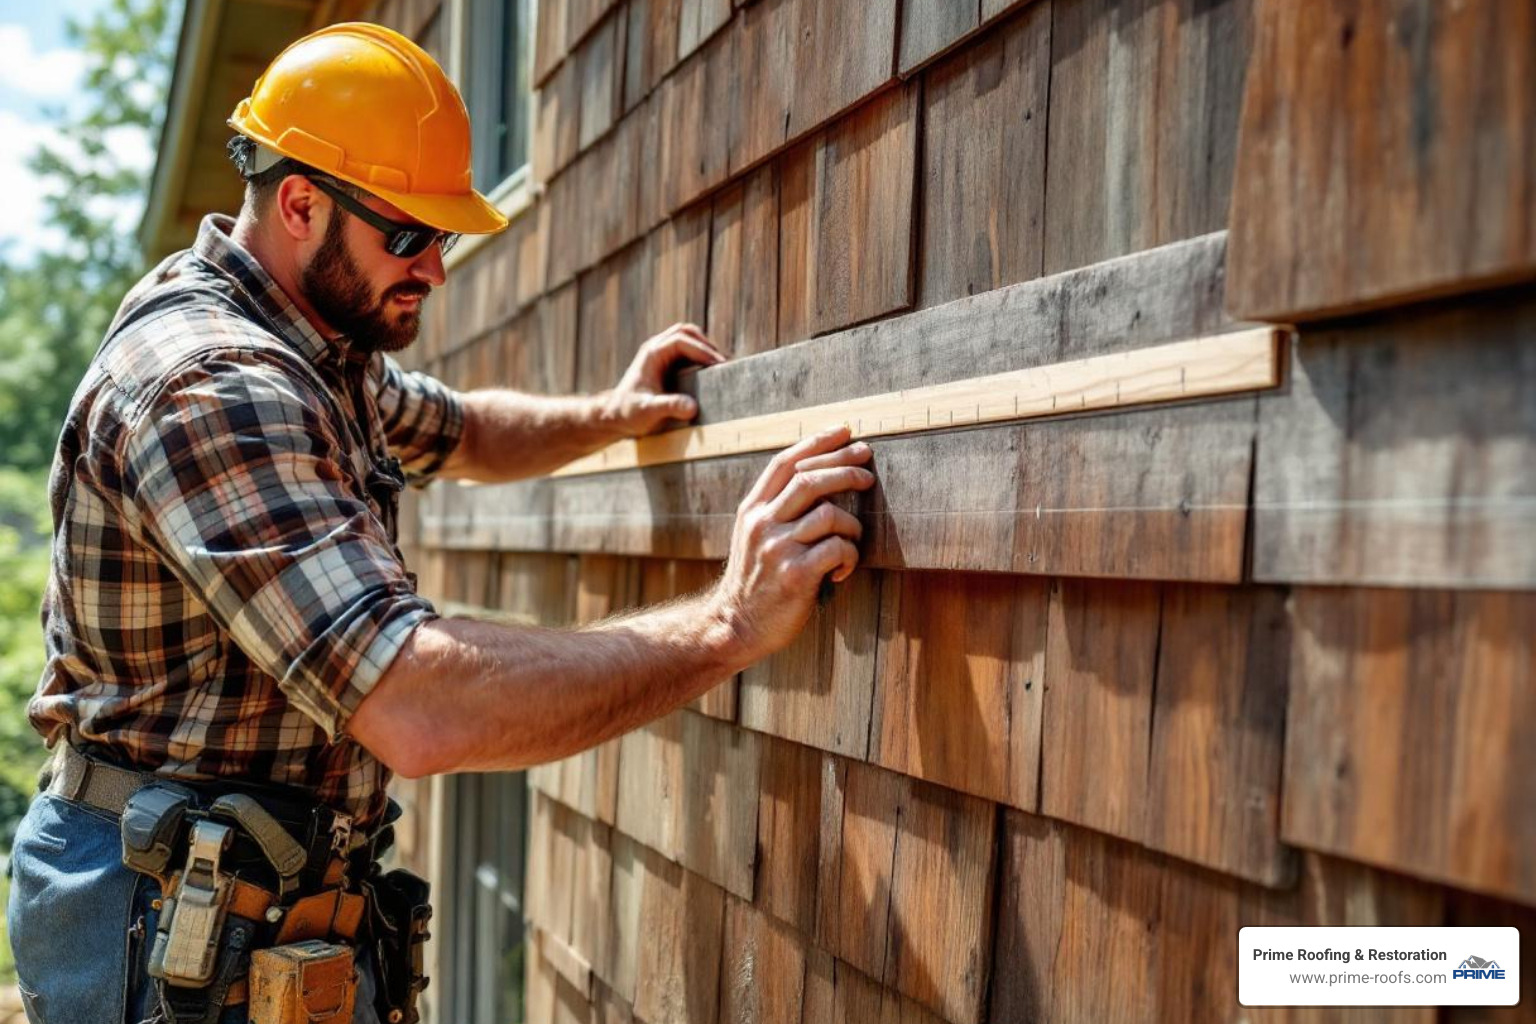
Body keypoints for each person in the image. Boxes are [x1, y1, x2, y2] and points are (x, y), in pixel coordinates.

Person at [5, 22, 873, 1024]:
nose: (436, 271)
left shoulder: (322, 348)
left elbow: (461, 432)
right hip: (158, 924)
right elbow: (419, 707)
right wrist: (730, 621)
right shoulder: (212, 384)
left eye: (444, 237)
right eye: (407, 237)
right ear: (299, 204)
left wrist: (613, 413)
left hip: (261, 909)